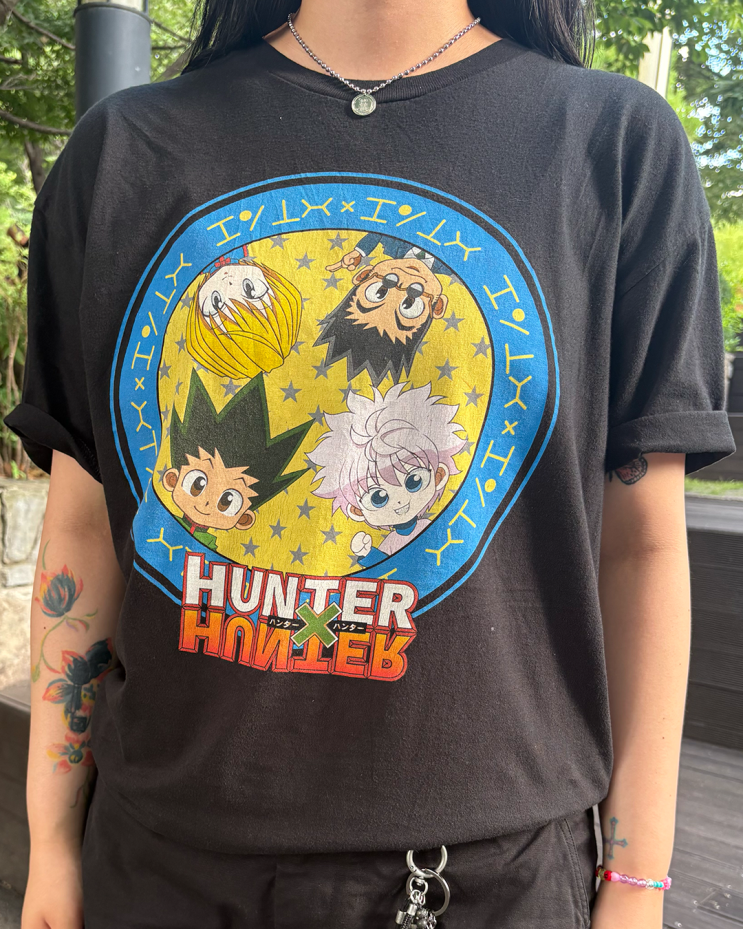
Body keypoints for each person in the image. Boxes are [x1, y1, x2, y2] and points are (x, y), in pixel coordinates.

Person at [10, 0, 736, 926]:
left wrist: (637, 884)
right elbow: (84, 530)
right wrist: (50, 843)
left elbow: (640, 548)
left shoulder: (613, 143)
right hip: (161, 862)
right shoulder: (125, 149)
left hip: (486, 879)